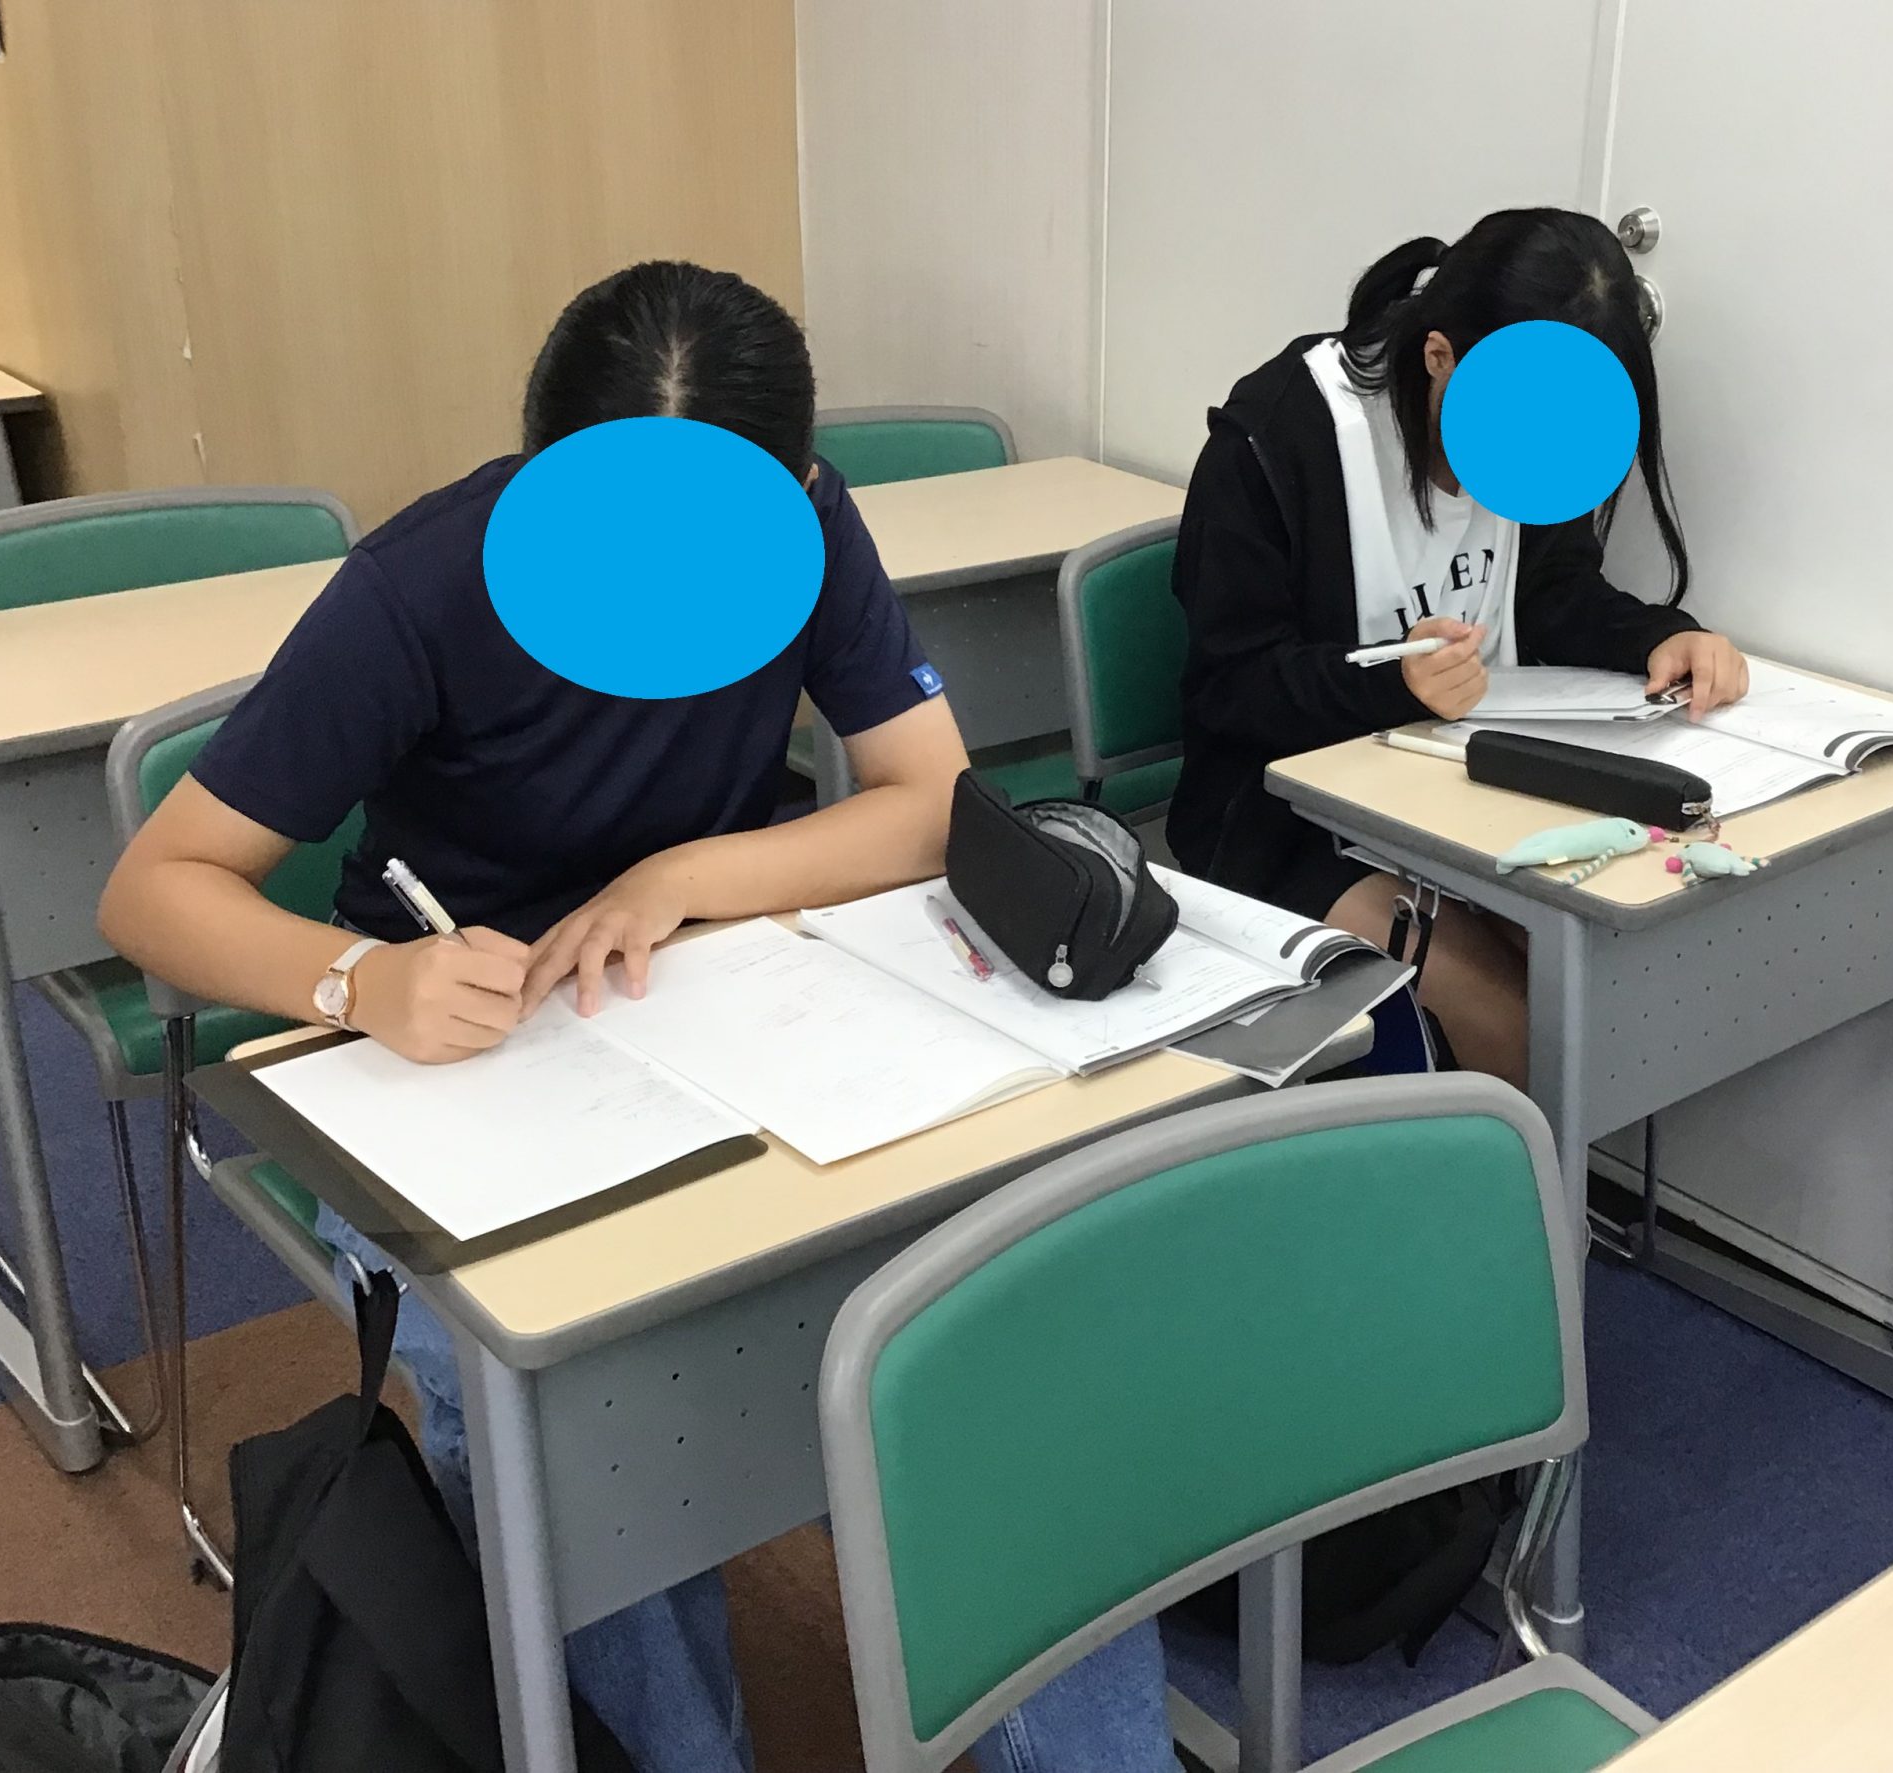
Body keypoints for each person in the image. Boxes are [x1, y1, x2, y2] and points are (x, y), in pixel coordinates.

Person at [99, 261, 1176, 1773]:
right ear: (538, 479)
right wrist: (363, 982)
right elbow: (154, 891)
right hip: (451, 1039)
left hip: (714, 997)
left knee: (990, 1330)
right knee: (555, 1416)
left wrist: (680, 875)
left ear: (797, 487)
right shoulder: (422, 587)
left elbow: (929, 796)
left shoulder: (805, 527)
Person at [1167, 207, 1750, 1087]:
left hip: (1467, 799)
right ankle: (1524, 1179)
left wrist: (1664, 636)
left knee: (1604, 975)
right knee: (1514, 1022)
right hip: (1284, 819)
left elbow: (1552, 594)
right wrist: (1392, 683)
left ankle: (1540, 1170)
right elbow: (1229, 683)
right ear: (1439, 356)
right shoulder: (1282, 430)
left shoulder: (1534, 431)